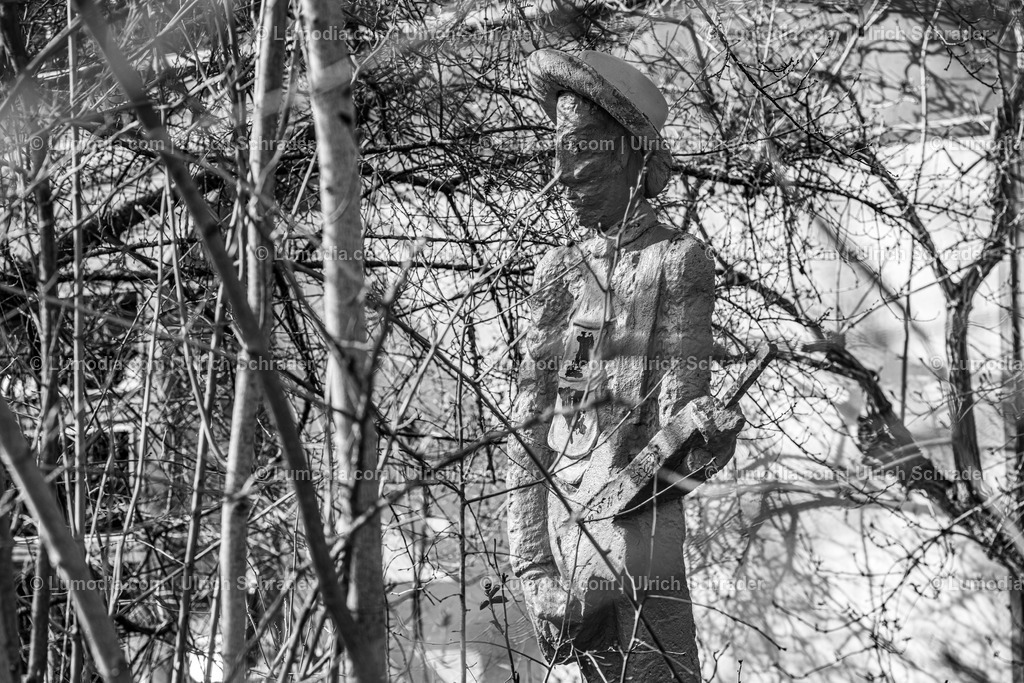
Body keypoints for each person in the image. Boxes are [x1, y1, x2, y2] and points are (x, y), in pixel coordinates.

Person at [506, 49, 742, 681]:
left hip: (642, 533)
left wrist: (709, 437)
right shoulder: (558, 270)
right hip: (561, 535)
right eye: (558, 149)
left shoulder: (679, 261)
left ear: (633, 154)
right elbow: (528, 428)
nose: (563, 172)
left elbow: (683, 434)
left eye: (582, 146)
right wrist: (531, 568)